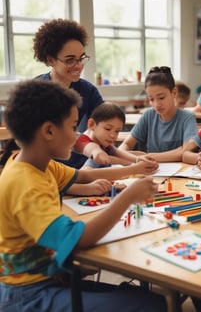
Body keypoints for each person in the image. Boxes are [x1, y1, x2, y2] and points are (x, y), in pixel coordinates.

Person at [0, 80, 167, 312]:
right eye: (72, 127)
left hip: (49, 280)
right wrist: (128, 196)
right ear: (48, 131)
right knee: (148, 305)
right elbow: (80, 238)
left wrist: (133, 170)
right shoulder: (24, 182)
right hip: (29, 295)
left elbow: (84, 177)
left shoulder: (40, 165)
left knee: (149, 298)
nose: (78, 136)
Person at [33, 18, 104, 169]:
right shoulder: (35, 93)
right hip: (47, 168)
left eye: (81, 58)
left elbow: (105, 124)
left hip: (83, 164)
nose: (78, 66)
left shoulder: (88, 91)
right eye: (70, 60)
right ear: (50, 59)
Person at [118, 66, 198, 162]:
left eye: (161, 98)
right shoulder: (148, 116)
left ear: (174, 93)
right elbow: (126, 145)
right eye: (151, 99)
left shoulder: (187, 117)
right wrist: (125, 153)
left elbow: (186, 151)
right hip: (151, 170)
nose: (156, 104)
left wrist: (147, 157)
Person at [74, 102, 158, 169]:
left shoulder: (103, 142)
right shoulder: (83, 141)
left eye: (117, 131)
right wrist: (131, 164)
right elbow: (96, 152)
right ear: (92, 124)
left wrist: (138, 159)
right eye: (107, 129)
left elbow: (117, 152)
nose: (112, 135)